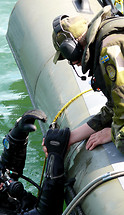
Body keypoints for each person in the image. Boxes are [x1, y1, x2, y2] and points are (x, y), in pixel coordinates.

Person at [52, 5, 124, 154]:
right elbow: (114, 106)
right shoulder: (107, 39)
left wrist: (112, 133)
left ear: (72, 49)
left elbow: (122, 104)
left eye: (67, 56)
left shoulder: (109, 50)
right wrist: (70, 138)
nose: (71, 62)